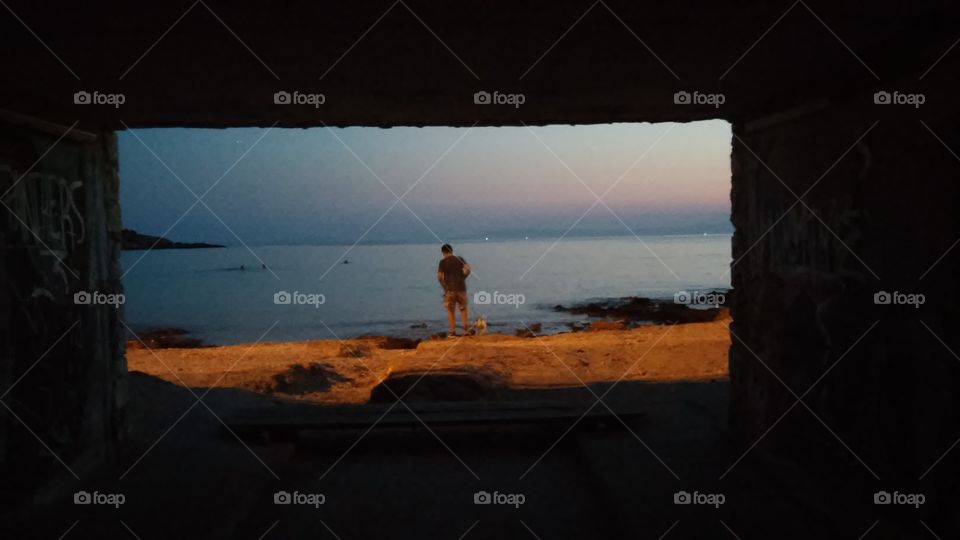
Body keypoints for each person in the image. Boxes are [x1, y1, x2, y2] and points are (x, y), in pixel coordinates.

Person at [437, 244, 471, 337]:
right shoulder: (459, 259)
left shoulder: (442, 262)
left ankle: (452, 332)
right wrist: (463, 277)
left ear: (443, 252)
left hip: (449, 289)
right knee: (463, 308)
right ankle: (466, 331)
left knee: (450, 310)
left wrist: (444, 285)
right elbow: (468, 269)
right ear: (452, 251)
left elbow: (439, 276)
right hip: (461, 288)